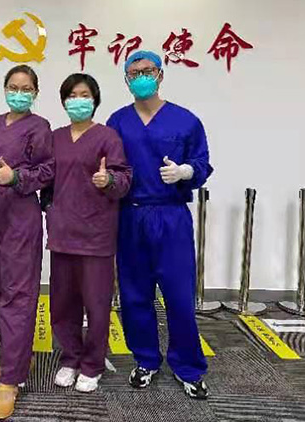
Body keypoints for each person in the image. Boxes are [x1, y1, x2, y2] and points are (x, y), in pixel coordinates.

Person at [107, 50, 214, 399]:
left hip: (170, 216)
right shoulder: (117, 121)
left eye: (147, 70)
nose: (141, 77)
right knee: (135, 294)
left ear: (161, 74)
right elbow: (107, 166)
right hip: (131, 215)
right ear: (126, 79)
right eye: (134, 72)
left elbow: (202, 163)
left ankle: (188, 366)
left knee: (179, 296)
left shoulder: (185, 120)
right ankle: (146, 360)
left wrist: (186, 171)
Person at [43, 73, 131, 393]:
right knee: (62, 303)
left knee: (96, 304)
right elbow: (46, 178)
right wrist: (47, 206)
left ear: (95, 100)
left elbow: (124, 178)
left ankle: (92, 364)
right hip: (62, 233)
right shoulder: (55, 137)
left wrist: (108, 181)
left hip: (96, 234)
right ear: (63, 101)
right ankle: (70, 357)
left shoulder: (108, 137)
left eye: (84, 95)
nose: (78, 101)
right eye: (72, 95)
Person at [0, 65, 54, 420]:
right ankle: (16, 358)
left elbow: (47, 171)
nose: (19, 93)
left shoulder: (40, 127)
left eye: (26, 88)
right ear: (4, 88)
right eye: (13, 86)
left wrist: (16, 177)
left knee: (18, 295)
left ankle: (10, 380)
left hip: (20, 214)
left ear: (36, 93)